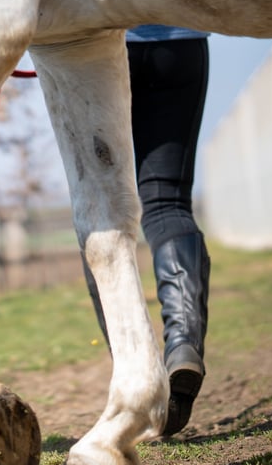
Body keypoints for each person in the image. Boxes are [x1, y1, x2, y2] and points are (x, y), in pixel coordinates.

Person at [84, 25, 211, 436]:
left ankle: (136, 368)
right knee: (167, 202)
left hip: (92, 46)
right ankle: (183, 343)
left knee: (99, 212)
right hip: (179, 39)